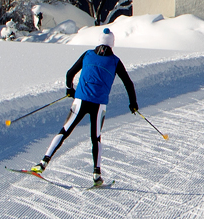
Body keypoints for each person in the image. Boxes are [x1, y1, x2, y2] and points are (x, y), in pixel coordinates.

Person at [28, 28, 138, 185]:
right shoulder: (115, 61)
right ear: (112, 43)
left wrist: (70, 90)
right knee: (96, 138)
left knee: (64, 131)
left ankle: (42, 163)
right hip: (99, 104)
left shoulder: (87, 54)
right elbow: (128, 83)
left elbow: (69, 73)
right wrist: (133, 104)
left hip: (80, 100)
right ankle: (96, 174)